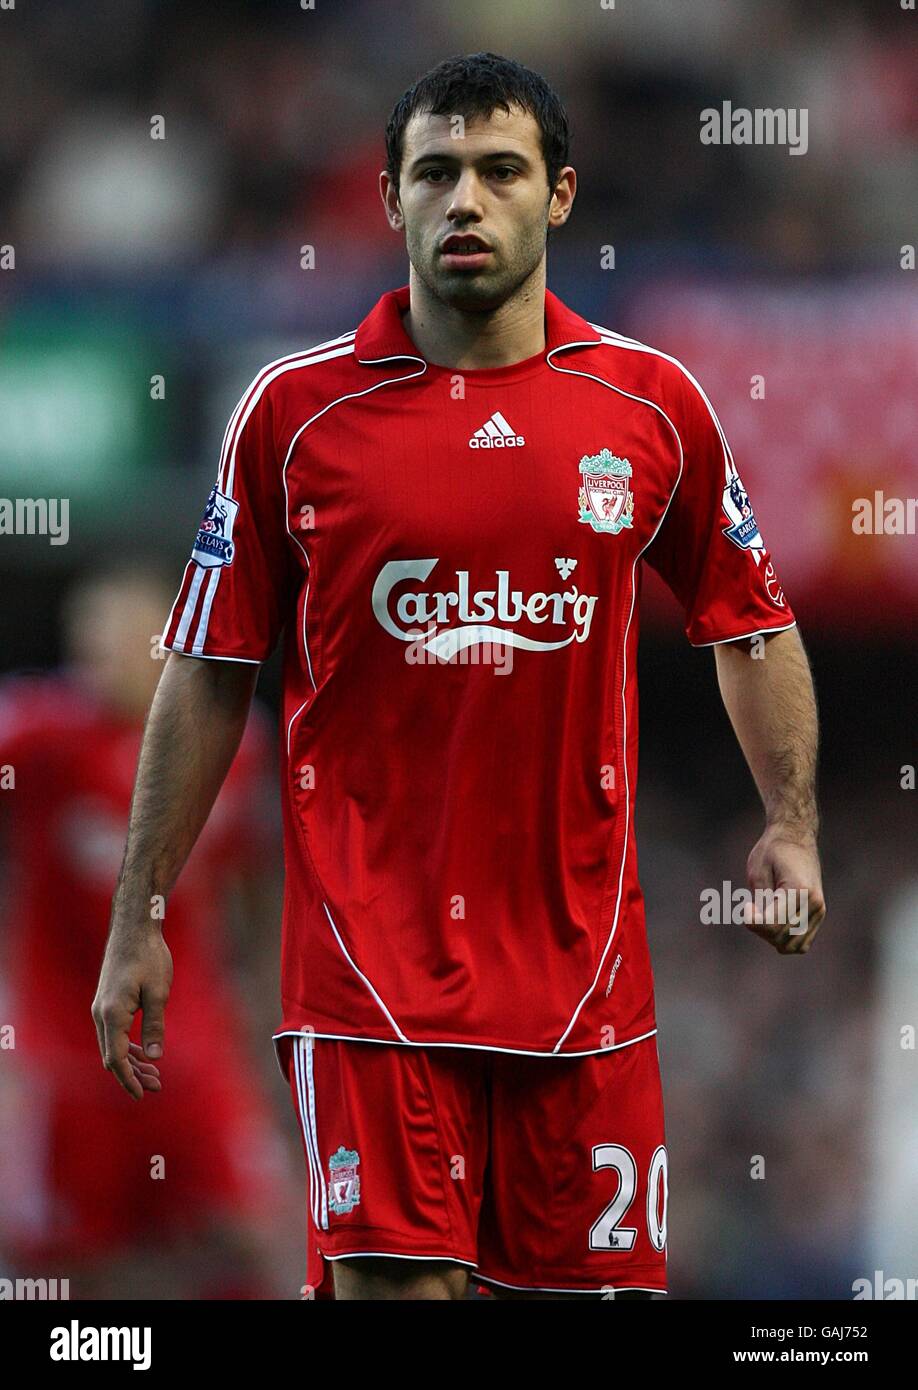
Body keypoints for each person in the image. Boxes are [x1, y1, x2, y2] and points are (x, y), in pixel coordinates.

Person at [93, 53, 825, 1301]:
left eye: (499, 172)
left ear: (562, 196)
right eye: (435, 173)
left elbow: (748, 623)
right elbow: (210, 670)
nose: (465, 201)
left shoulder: (649, 409)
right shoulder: (293, 415)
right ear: (390, 199)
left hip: (588, 985)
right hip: (366, 977)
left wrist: (794, 828)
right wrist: (141, 909)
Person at [0, 569, 291, 1298]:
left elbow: (249, 877)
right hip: (66, 1054)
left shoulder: (234, 745)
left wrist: (259, 985)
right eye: (90, 644)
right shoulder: (37, 739)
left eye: (125, 640)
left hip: (190, 1047)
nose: (105, 660)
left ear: (168, 645)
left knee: (249, 1231)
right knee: (65, 1263)